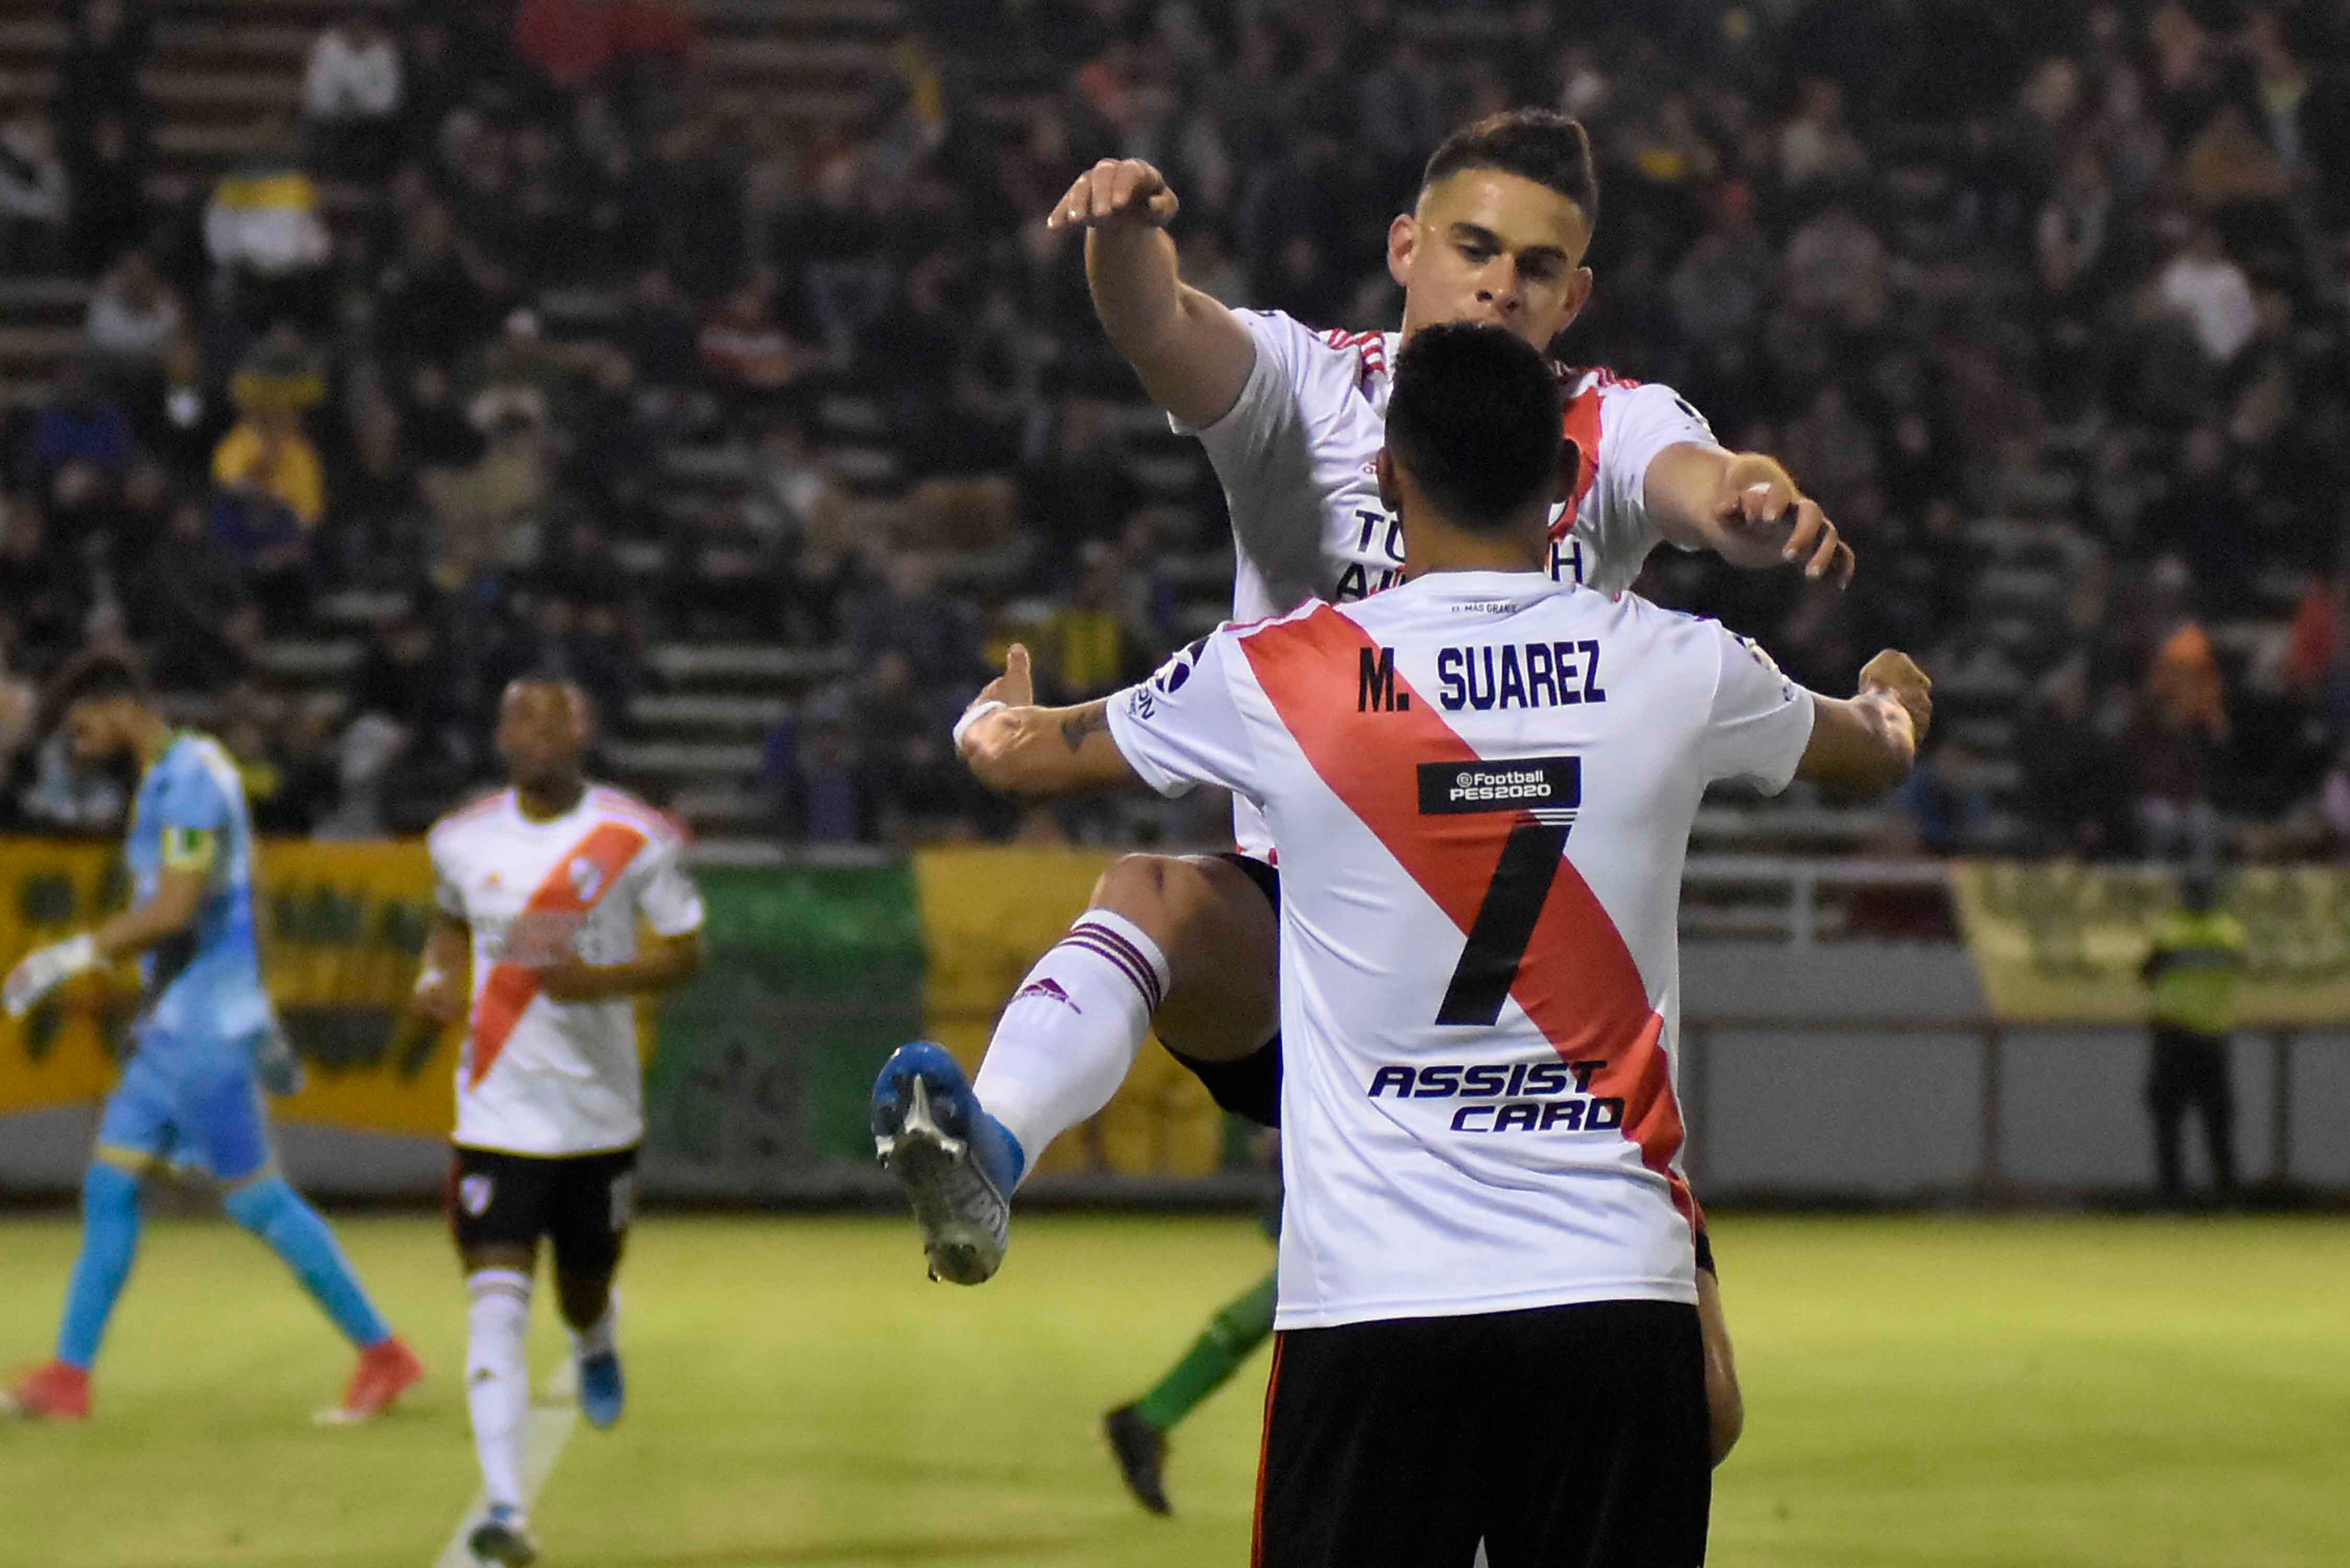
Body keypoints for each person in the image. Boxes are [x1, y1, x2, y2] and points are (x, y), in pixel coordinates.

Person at [877, 323, 1928, 1564]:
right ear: (1562, 484)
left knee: (1146, 893)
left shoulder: (1284, 672)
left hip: (1373, 1302)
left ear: (1387, 476)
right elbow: (1868, 751)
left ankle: (1005, 1139)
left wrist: (989, 720)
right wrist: (1896, 690)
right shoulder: (1677, 663)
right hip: (1609, 1292)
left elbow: (1023, 756)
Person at [928, 107, 1843, 1470]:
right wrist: (1123, 240)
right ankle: (990, 1153)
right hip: (1324, 951)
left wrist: (1752, 503)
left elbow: (1703, 478)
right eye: (1474, 247)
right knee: (1162, 899)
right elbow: (1163, 329)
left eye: (1539, 267)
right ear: (1407, 249)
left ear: (1575, 296)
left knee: (1701, 1409)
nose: (1500, 284)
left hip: (1543, 1004)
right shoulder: (1309, 388)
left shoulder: (1608, 425)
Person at [2, 660, 423, 1423]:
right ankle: (70, 1376)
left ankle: (383, 1354)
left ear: (121, 706)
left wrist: (63, 958)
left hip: (201, 1028)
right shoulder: (186, 772)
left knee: (257, 1199)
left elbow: (172, 909)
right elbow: (245, 891)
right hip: (181, 1017)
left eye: (84, 726)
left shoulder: (189, 782)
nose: (79, 745)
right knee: (111, 1186)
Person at [413, 680, 708, 1568]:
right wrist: (436, 976)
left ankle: (593, 1336)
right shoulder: (460, 841)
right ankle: (505, 1509)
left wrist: (602, 981)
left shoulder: (637, 837)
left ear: (583, 729)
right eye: (520, 719)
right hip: (496, 1112)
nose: (537, 734)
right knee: (495, 1305)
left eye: (554, 719)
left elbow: (688, 956)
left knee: (582, 1283)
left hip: (598, 1116)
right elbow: (448, 919)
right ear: (502, 736)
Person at [2138, 867, 2245, 1204]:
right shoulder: (2229, 932)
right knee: (2218, 1122)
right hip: (2214, 1035)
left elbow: (2146, 974)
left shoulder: (2169, 932)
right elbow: (2242, 966)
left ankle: (2171, 1197)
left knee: (2169, 1121)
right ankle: (2226, 1196)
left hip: (2174, 1034)